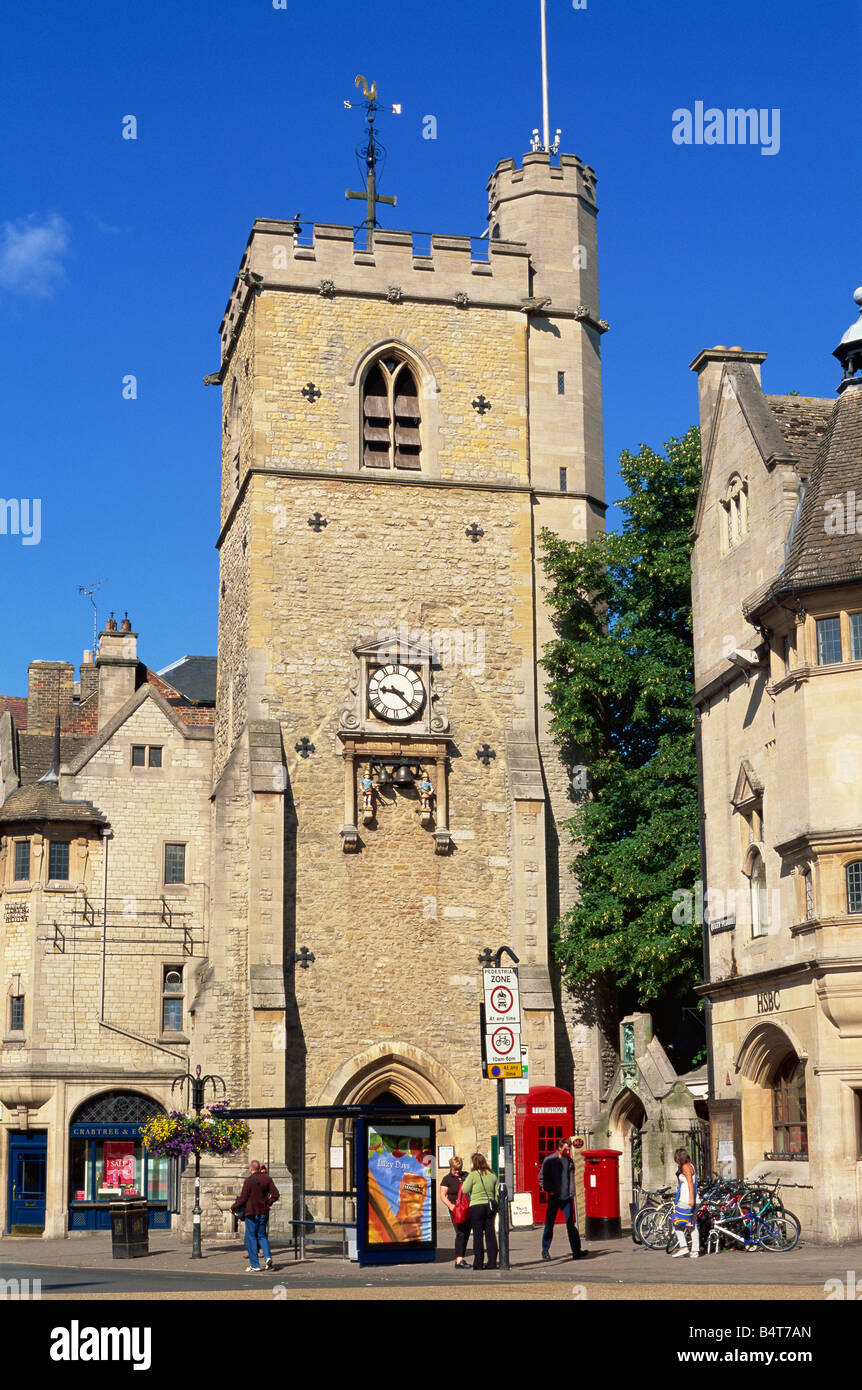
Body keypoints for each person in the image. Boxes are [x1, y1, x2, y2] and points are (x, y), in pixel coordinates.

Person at [231, 1158, 280, 1272]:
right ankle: (268, 1258)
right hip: (263, 1211)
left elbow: (243, 1198)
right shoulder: (267, 1179)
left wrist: (233, 1207)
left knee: (251, 1237)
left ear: (251, 1169)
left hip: (251, 1212)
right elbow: (275, 1194)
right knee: (262, 1236)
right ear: (260, 1168)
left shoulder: (249, 1181)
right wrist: (268, 1203)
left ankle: (255, 1265)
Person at [539, 1138, 582, 1260]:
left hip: (567, 1197)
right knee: (549, 1224)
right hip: (554, 1197)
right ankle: (545, 1250)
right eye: (565, 1149)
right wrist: (549, 1190)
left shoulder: (569, 1161)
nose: (567, 1152)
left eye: (569, 1149)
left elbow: (570, 1178)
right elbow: (541, 1178)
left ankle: (576, 1251)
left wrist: (572, 1191)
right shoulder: (550, 1160)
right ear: (559, 1148)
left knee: (570, 1225)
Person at [460, 1152, 498, 1271]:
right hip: (490, 1206)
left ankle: (478, 1263)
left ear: (474, 1163)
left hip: (476, 1207)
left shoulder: (473, 1175)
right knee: (490, 1235)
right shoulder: (492, 1175)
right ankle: (492, 1262)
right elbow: (496, 1193)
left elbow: (465, 1189)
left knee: (477, 1236)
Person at [438, 1155, 470, 1269]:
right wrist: (451, 1206)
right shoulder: (447, 1179)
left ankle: (461, 1258)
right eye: (455, 1169)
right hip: (455, 1209)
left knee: (466, 1233)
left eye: (459, 1169)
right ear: (451, 1168)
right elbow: (442, 1195)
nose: (457, 1172)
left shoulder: (466, 1176)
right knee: (460, 1232)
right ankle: (459, 1260)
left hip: (467, 1208)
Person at [669, 1147, 700, 1259]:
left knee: (676, 1222)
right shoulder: (691, 1165)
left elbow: (690, 1183)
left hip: (687, 1200)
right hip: (695, 1200)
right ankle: (695, 1250)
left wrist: (691, 1199)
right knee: (692, 1225)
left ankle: (683, 1247)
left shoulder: (686, 1167)